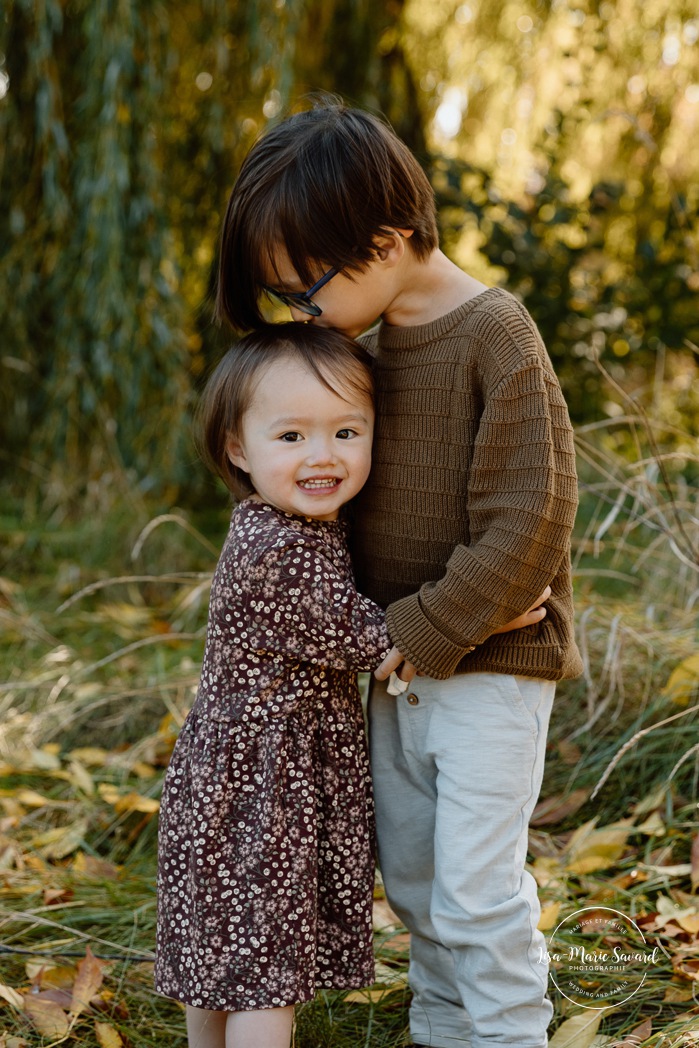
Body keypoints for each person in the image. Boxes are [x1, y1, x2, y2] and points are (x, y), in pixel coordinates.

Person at [215, 98, 583, 1048]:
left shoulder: (495, 334)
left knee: (473, 889)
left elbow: (529, 520)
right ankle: (442, 1032)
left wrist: (426, 630)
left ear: (380, 239)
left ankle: (507, 1037)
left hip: (486, 672)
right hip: (395, 674)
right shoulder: (365, 356)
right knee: (417, 883)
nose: (299, 314)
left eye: (305, 290)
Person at [155, 323, 548, 1048]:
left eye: (345, 430)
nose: (322, 456)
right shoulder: (281, 552)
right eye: (291, 437)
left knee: (224, 953)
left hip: (234, 782)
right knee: (265, 972)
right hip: (262, 793)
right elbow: (378, 641)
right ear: (238, 449)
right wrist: (483, 613)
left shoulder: (285, 527)